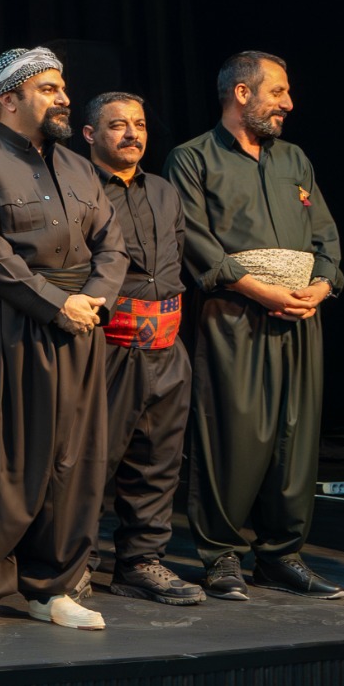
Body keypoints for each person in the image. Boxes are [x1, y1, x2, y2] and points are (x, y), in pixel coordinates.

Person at [0, 47, 125, 632]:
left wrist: (93, 299)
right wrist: (56, 303)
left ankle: (54, 588)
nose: (64, 97)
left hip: (79, 323)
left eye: (62, 87)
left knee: (73, 459)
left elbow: (113, 244)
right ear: (8, 100)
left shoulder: (79, 167)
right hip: (3, 323)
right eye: (48, 88)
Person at [173, 51, 344, 602]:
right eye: (278, 92)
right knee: (232, 435)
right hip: (234, 314)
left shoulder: (294, 159)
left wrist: (323, 285)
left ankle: (281, 555)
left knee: (296, 435)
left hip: (299, 315)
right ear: (242, 93)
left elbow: (325, 235)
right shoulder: (193, 158)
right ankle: (221, 556)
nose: (288, 103)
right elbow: (194, 240)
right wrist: (256, 288)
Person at [81, 92, 205, 607]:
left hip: (167, 346)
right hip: (108, 346)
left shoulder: (162, 190)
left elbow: (175, 258)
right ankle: (74, 564)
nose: (133, 134)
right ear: (90, 134)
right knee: (91, 461)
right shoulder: (78, 187)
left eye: (139, 124)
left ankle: (140, 563)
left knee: (158, 462)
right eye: (118, 125)